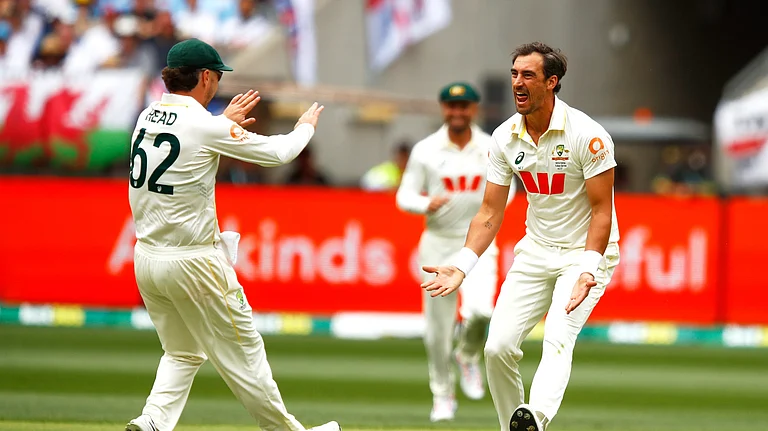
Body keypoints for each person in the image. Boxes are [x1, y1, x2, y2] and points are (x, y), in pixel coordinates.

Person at [125, 38, 338, 431]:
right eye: (217, 76)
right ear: (205, 76)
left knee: (182, 352)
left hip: (148, 258)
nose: (218, 84)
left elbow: (191, 140)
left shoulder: (146, 115)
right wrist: (304, 128)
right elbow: (279, 153)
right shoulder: (206, 126)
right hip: (194, 262)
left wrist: (222, 126)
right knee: (246, 356)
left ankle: (153, 421)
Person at [421, 42, 621, 431]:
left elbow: (602, 211)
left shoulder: (588, 135)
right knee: (496, 348)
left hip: (583, 256)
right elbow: (490, 212)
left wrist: (588, 270)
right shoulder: (504, 137)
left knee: (558, 339)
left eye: (527, 75)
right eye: (514, 74)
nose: (517, 83)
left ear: (552, 82)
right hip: (535, 251)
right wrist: (462, 266)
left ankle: (538, 419)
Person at [396, 82, 515, 422]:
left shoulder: (492, 146)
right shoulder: (426, 150)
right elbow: (403, 196)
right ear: (443, 108)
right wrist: (424, 203)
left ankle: (467, 355)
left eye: (464, 106)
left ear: (474, 109)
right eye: (451, 106)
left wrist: (487, 216)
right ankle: (442, 395)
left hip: (477, 243)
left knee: (481, 313)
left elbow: (508, 191)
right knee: (437, 331)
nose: (457, 112)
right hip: (437, 243)